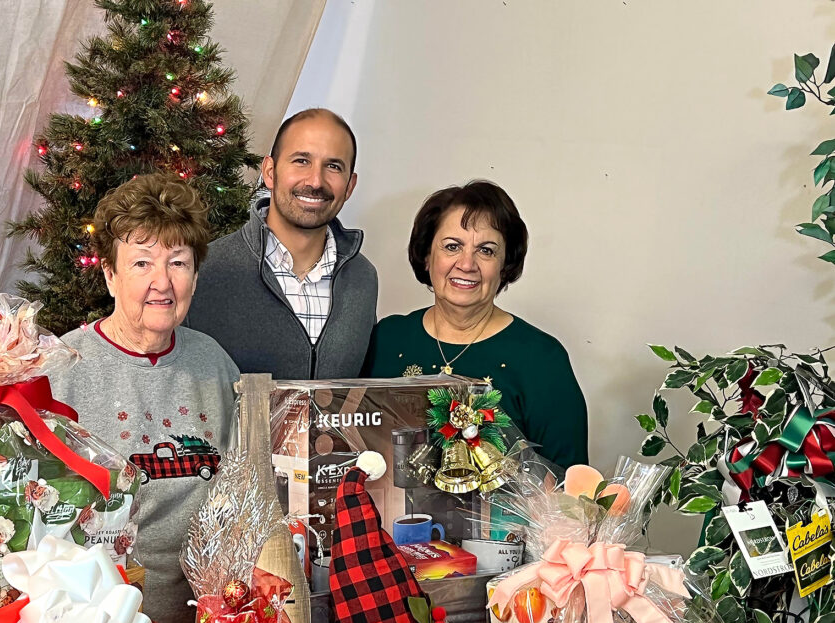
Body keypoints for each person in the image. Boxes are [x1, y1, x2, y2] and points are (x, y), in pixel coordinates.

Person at [50, 173, 240, 623]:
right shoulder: (61, 370)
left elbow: (244, 486)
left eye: (178, 263)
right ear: (109, 275)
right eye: (141, 263)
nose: (162, 282)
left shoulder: (214, 363)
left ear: (195, 276)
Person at [362, 180, 588, 469]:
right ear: (427, 257)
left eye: (486, 250)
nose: (467, 264)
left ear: (505, 265)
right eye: (452, 246)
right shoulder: (387, 339)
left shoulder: (543, 358)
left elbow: (570, 485)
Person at [186, 108, 377, 379]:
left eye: (333, 166)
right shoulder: (207, 271)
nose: (315, 181)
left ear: (349, 186)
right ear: (270, 171)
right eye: (301, 160)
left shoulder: (363, 278)